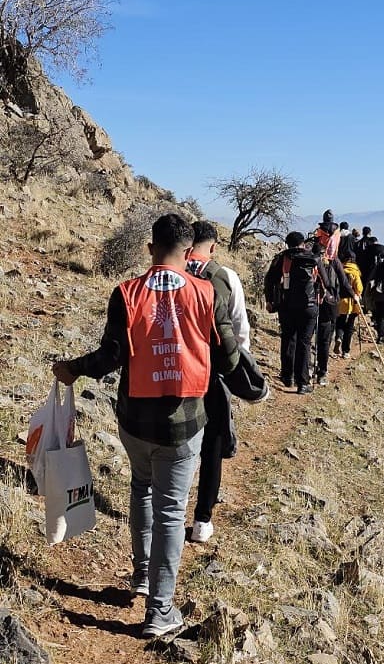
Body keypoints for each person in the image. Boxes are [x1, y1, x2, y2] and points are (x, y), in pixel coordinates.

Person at [52, 214, 241, 638]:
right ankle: (160, 611)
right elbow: (229, 357)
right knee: (172, 510)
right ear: (190, 252)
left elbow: (111, 356)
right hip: (184, 423)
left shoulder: (127, 293)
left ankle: (141, 575)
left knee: (141, 487)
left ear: (151, 248)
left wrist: (72, 369)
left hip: (134, 421)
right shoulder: (207, 293)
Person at [186, 220, 251, 543]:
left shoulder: (172, 272)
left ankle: (167, 509)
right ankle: (202, 519)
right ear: (213, 246)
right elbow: (240, 330)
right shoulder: (226, 277)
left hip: (175, 371)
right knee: (212, 444)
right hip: (213, 372)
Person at [264, 231, 330, 394]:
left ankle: (288, 376)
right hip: (309, 306)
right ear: (302, 243)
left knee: (288, 338)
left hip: (287, 305)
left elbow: (270, 279)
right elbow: (326, 281)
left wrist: (270, 300)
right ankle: (303, 383)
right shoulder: (314, 258)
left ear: (288, 244)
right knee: (304, 342)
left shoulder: (283, 257)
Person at [313, 241, 356, 385]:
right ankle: (322, 372)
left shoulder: (310, 257)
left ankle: (300, 375)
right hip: (329, 304)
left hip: (309, 303)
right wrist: (353, 294)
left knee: (305, 339)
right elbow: (343, 282)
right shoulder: (333, 260)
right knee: (324, 339)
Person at [335, 250, 363, 358]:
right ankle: (345, 351)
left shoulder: (340, 269)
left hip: (340, 300)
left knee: (340, 321)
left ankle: (338, 337)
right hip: (352, 302)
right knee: (350, 326)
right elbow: (359, 288)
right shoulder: (355, 271)